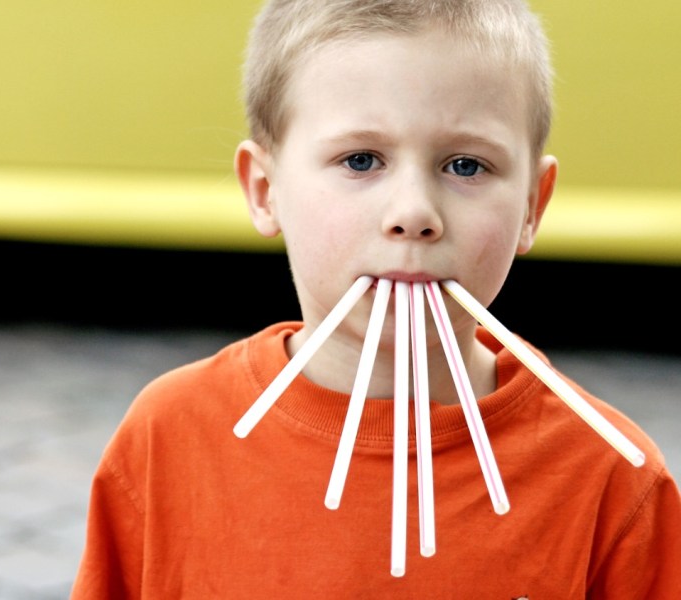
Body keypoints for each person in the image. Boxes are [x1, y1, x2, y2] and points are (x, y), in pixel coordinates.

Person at [70, 0, 681, 597]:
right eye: (360, 160)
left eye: (466, 166)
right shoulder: (169, 438)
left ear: (531, 205)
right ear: (265, 189)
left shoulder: (608, 475)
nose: (414, 213)